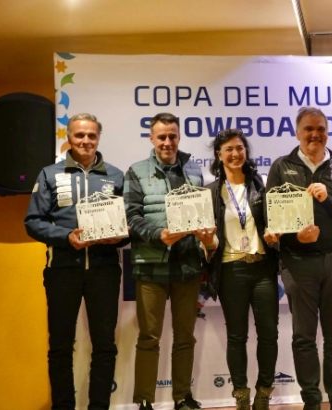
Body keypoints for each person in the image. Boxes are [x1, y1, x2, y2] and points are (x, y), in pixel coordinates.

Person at [264, 107, 332, 410]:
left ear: (327, 132)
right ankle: (311, 399)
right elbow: (271, 217)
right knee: (304, 337)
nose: (315, 134)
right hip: (297, 263)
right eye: (309, 129)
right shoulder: (282, 167)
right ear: (297, 133)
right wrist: (295, 237)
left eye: (321, 128)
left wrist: (328, 199)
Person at [25, 113, 128, 410]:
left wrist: (119, 237)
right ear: (68, 138)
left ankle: (99, 406)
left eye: (91, 136)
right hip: (62, 270)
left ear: (98, 138)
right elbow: (32, 221)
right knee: (59, 347)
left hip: (104, 271)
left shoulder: (115, 175)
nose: (85, 141)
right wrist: (66, 237)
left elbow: (126, 224)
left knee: (105, 346)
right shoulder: (49, 174)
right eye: (79, 135)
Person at [124, 113, 215, 410]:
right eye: (161, 136)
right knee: (149, 337)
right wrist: (157, 234)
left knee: (185, 337)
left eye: (172, 136)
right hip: (150, 267)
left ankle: (182, 397)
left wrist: (205, 233)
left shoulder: (194, 169)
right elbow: (131, 216)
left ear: (179, 137)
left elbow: (203, 211)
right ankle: (145, 401)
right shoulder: (136, 171)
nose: (167, 142)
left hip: (188, 266)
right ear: (151, 139)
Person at [204, 129, 280, 410]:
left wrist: (275, 237)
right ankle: (241, 395)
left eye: (240, 148)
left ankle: (264, 392)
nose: (235, 154)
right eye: (228, 149)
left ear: (246, 152)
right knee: (237, 336)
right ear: (219, 155)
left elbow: (275, 225)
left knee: (269, 334)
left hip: (262, 268)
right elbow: (211, 242)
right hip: (230, 270)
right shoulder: (211, 192)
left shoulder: (262, 188)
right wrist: (204, 240)